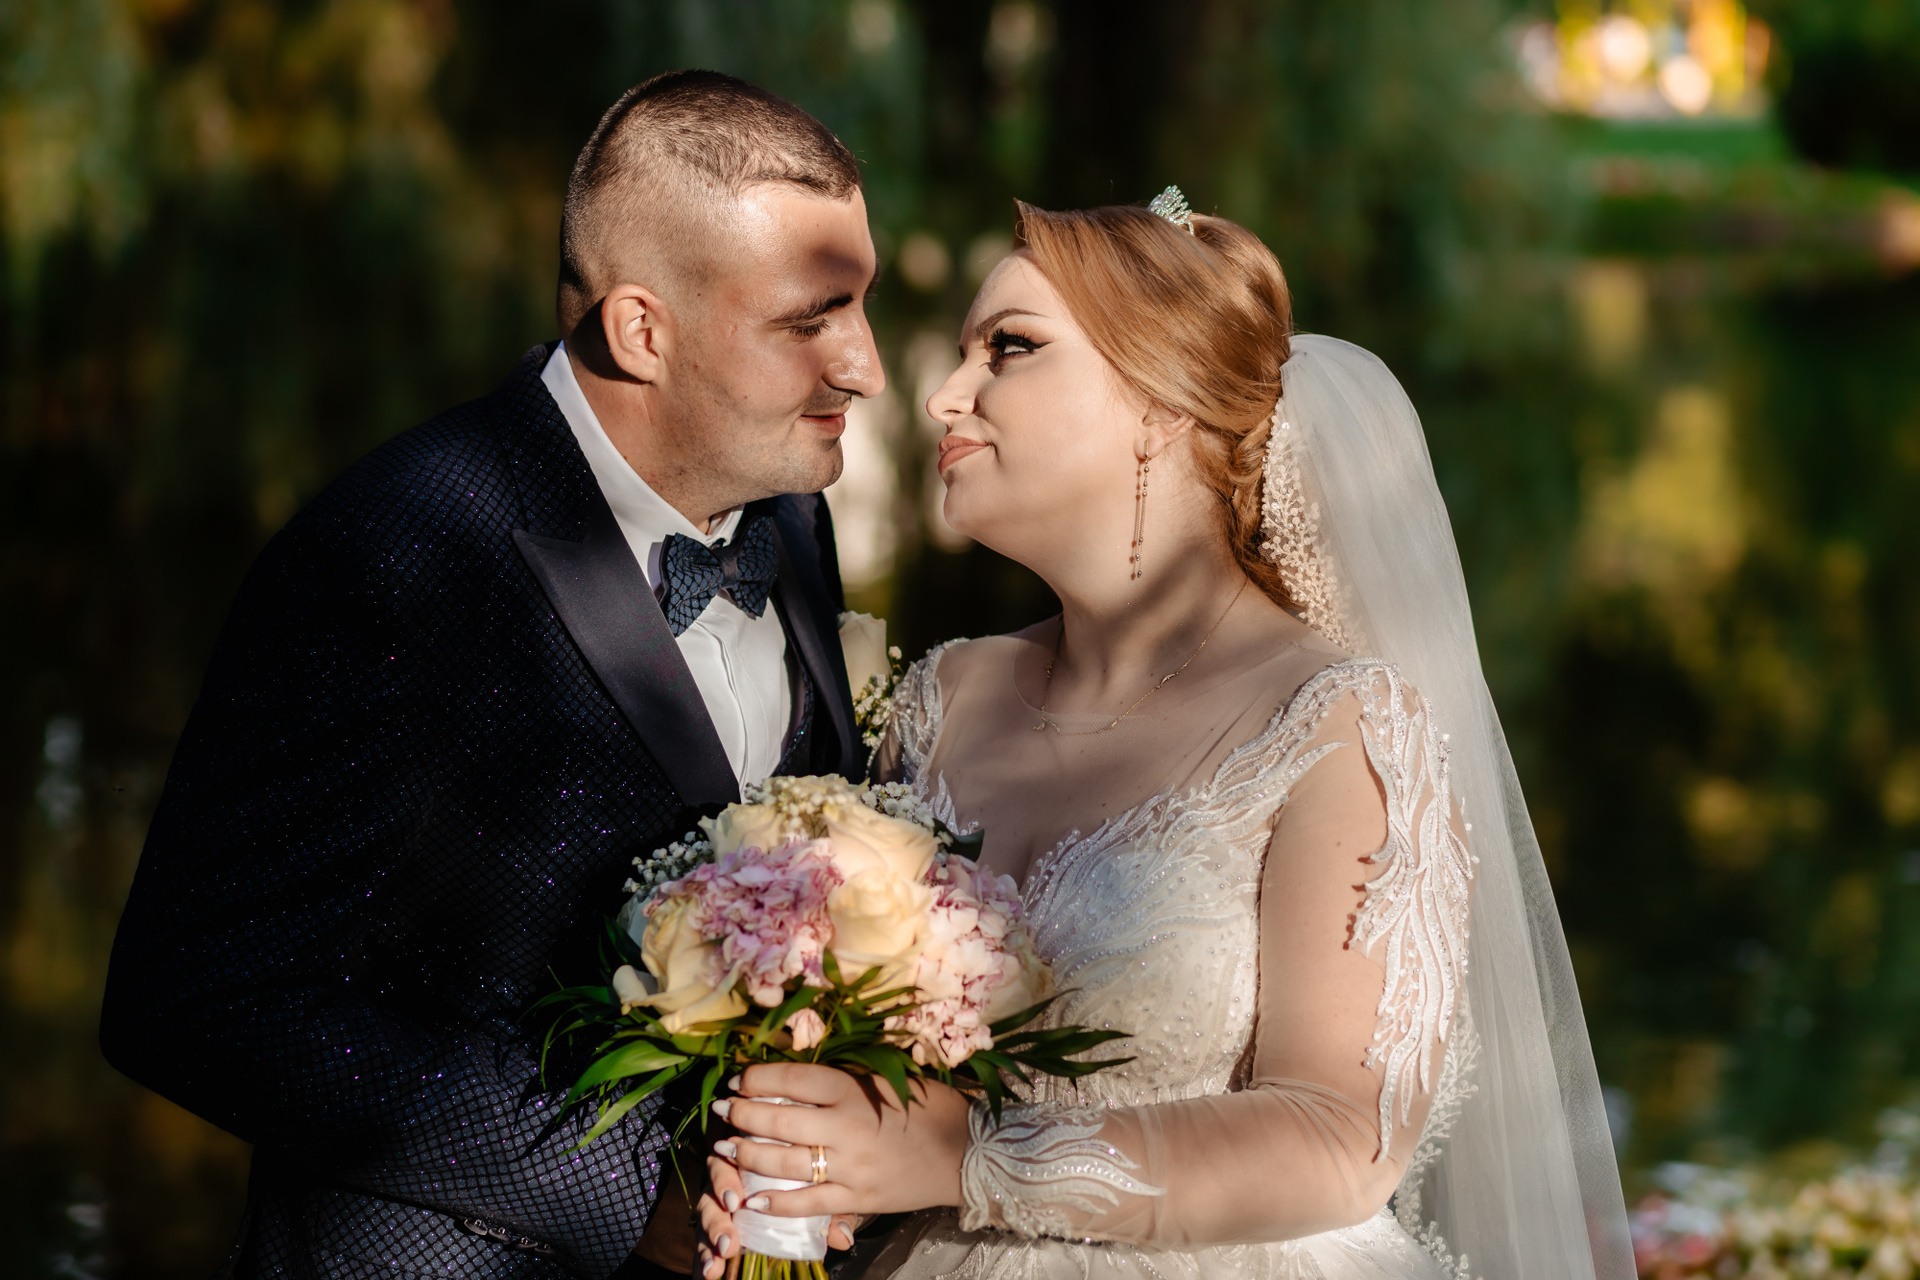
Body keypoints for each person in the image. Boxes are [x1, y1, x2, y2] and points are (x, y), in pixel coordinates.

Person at [695, 194, 1636, 1280]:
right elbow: (893, 1082)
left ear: (1160, 401)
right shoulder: (942, 696)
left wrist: (969, 1159)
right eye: (961, 353)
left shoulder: (1336, 721)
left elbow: (1345, 1136)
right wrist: (814, 1168)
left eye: (1010, 347)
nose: (947, 395)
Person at [98, 70, 877, 1279]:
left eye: (861, 306)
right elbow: (195, 994)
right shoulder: (391, 552)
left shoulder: (794, 518)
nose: (863, 364)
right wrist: (624, 1183)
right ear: (642, 330)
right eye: (809, 319)